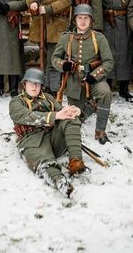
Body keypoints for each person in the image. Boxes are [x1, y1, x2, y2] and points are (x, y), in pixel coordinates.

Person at [9, 67, 88, 198]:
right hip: (32, 141)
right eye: (31, 83)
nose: (34, 86)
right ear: (24, 84)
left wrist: (75, 112)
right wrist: (55, 115)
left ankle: (76, 162)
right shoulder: (17, 101)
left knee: (70, 119)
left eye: (38, 83)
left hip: (53, 139)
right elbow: (26, 116)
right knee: (46, 163)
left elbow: (62, 112)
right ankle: (61, 183)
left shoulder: (48, 98)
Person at [51, 5, 114, 144]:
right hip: (74, 82)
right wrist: (63, 65)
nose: (83, 21)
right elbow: (54, 59)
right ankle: (92, 106)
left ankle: (100, 131)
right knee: (77, 117)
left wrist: (94, 76)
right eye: (80, 18)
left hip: (94, 80)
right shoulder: (66, 38)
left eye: (86, 18)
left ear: (91, 21)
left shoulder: (99, 38)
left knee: (105, 92)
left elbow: (109, 62)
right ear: (75, 20)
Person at [26, 0, 71, 97]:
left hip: (56, 27)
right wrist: (33, 3)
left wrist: (49, 8)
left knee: (54, 59)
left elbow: (66, 0)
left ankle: (53, 88)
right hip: (41, 27)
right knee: (43, 59)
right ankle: (43, 86)